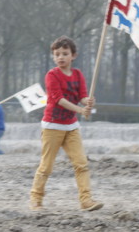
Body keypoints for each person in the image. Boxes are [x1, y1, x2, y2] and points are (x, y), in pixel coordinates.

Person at [29, 36, 103, 212]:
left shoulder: (78, 75)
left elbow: (82, 96)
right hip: (52, 126)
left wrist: (88, 101)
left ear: (73, 55)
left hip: (71, 127)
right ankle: (36, 199)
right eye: (57, 54)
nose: (60, 57)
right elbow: (58, 99)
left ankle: (86, 200)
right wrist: (80, 110)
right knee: (46, 166)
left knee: (81, 164)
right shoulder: (52, 75)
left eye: (65, 53)